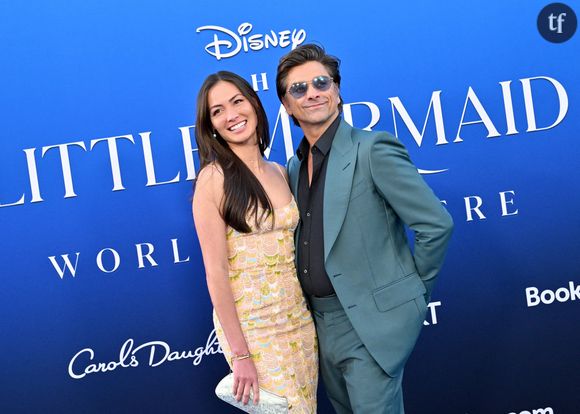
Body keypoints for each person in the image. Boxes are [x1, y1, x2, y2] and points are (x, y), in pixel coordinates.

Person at [275, 44, 454, 413]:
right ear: (287, 105)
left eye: (321, 82)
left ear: (337, 92)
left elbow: (436, 224)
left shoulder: (372, 149)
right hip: (319, 329)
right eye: (298, 89)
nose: (312, 93)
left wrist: (409, 298)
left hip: (369, 325)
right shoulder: (293, 169)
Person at [192, 71, 318, 413]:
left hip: (298, 321)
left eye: (237, 102)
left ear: (254, 105)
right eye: (217, 111)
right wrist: (241, 354)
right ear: (211, 126)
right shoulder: (213, 179)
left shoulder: (279, 171)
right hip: (254, 331)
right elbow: (215, 272)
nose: (231, 115)